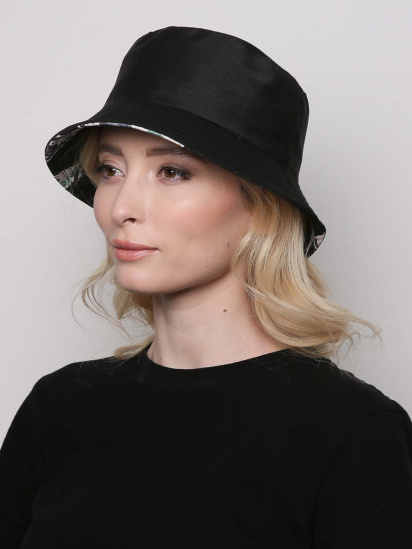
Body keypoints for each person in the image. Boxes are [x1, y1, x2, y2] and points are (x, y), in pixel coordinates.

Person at [1, 25, 412, 548]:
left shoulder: (351, 432)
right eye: (110, 169)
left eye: (172, 172)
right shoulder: (59, 409)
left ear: (260, 206)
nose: (121, 207)